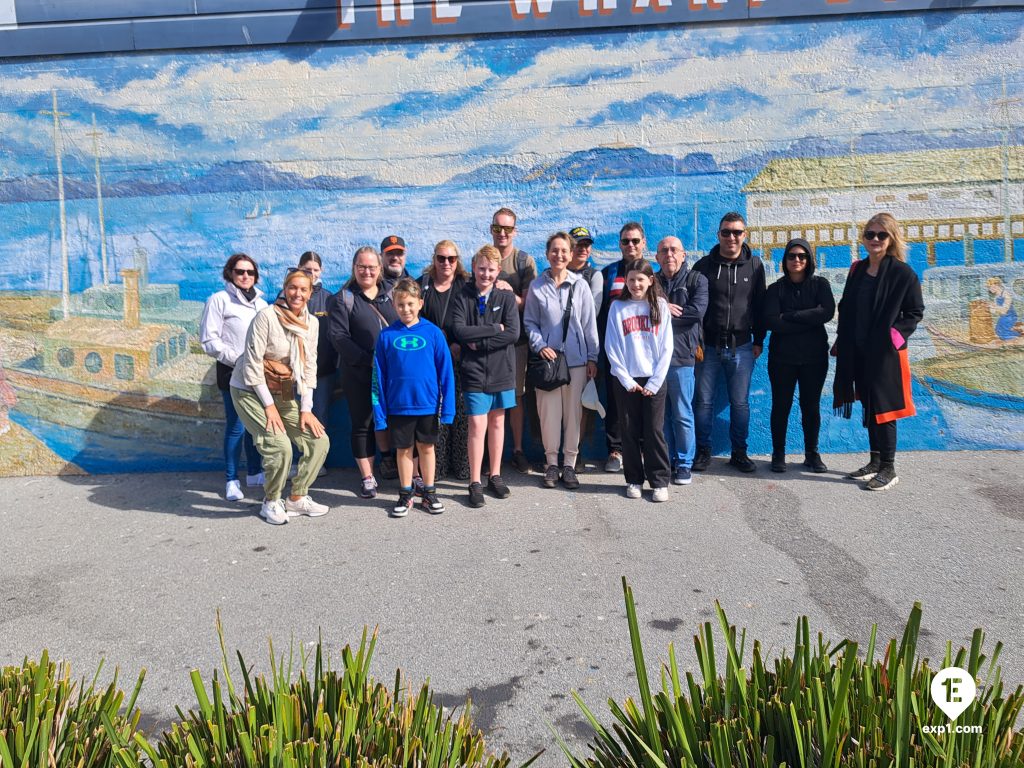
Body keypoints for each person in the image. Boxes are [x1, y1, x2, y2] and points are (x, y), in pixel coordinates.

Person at [229, 268, 330, 525]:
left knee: (318, 441)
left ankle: (297, 497)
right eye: (293, 288)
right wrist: (270, 406)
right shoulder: (267, 317)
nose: (297, 293)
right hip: (250, 390)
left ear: (310, 293)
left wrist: (306, 409)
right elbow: (251, 366)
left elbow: (308, 368)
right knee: (280, 446)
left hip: (283, 390)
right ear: (285, 289)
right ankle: (271, 501)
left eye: (303, 289)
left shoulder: (312, 323)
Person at [833, 213, 924, 491]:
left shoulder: (902, 273)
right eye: (870, 234)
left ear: (891, 238)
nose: (874, 240)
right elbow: (847, 306)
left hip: (885, 354)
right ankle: (875, 461)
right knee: (870, 405)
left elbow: (914, 312)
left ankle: (889, 468)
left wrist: (893, 338)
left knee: (885, 410)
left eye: (881, 235)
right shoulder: (857, 269)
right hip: (857, 350)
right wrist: (841, 340)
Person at [373, 279, 456, 517]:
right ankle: (405, 493)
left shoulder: (433, 333)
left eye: (410, 303)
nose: (405, 309)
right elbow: (377, 377)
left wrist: (447, 409)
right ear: (394, 305)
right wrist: (380, 414)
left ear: (420, 303)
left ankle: (429, 493)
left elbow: (446, 373)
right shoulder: (386, 336)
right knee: (403, 450)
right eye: (400, 304)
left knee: (427, 448)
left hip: (428, 405)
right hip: (399, 407)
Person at [690, 212, 766, 473]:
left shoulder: (755, 266)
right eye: (726, 232)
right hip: (708, 346)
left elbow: (760, 306)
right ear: (718, 234)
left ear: (744, 235)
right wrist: (695, 342)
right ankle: (703, 451)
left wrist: (759, 340)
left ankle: (739, 452)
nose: (731, 237)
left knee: (740, 403)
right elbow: (694, 307)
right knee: (703, 402)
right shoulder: (703, 266)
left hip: (743, 346)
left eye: (737, 232)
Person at [523, 232, 599, 489]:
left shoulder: (581, 286)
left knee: (573, 415)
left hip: (576, 362)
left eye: (564, 250)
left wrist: (592, 357)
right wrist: (540, 345)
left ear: (570, 253)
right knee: (549, 414)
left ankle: (569, 464)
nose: (559, 255)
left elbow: (589, 325)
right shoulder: (537, 286)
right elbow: (530, 322)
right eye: (554, 250)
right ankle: (551, 464)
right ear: (547, 254)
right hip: (548, 362)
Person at [451, 244, 521, 508]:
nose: (486, 274)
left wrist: (481, 343)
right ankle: (474, 481)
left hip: (502, 371)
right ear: (473, 268)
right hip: (474, 373)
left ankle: (495, 475)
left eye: (491, 269)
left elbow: (513, 333)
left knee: (497, 424)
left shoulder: (505, 297)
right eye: (481, 268)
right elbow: (460, 331)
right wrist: (493, 328)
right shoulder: (462, 296)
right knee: (477, 426)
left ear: (498, 270)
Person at [328, 246, 399, 499]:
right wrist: (370, 361)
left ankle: (405, 471)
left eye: (372, 267)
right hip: (359, 374)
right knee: (363, 424)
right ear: (354, 268)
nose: (367, 271)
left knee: (399, 421)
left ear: (380, 269)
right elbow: (339, 338)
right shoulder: (342, 299)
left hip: (395, 375)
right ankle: (368, 477)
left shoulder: (392, 295)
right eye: (362, 267)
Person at [762, 238, 835, 473]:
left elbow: (827, 312)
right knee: (780, 406)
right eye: (792, 256)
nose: (797, 260)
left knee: (810, 406)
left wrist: (791, 316)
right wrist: (808, 318)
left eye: (802, 256)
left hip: (814, 359)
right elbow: (772, 321)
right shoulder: (775, 289)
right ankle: (778, 454)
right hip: (782, 359)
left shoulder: (820, 285)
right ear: (785, 260)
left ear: (809, 260)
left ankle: (812, 454)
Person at [200, 253, 268, 501]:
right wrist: (237, 358)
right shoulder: (219, 300)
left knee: (255, 427)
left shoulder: (261, 304)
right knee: (237, 427)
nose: (245, 276)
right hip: (232, 373)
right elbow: (209, 340)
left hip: (259, 375)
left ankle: (254, 472)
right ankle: (231, 479)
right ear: (230, 273)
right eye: (240, 271)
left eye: (250, 272)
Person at [605, 259, 673, 502]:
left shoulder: (660, 306)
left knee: (654, 430)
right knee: (629, 430)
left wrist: (654, 382)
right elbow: (611, 346)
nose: (635, 284)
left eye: (640, 279)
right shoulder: (618, 307)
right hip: (626, 380)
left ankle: (659, 481)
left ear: (650, 280)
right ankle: (633, 479)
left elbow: (667, 347)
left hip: (654, 378)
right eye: (631, 279)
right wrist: (625, 379)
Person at [655, 236, 708, 486]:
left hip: (682, 356)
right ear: (656, 257)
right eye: (664, 251)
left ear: (683, 255)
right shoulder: (651, 282)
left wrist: (662, 312)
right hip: (654, 359)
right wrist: (663, 308)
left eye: (674, 250)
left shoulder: (697, 280)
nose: (669, 255)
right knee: (660, 416)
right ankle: (665, 461)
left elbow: (696, 312)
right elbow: (643, 311)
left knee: (682, 413)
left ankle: (684, 463)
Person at [489, 207, 538, 474]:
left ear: (515, 231)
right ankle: (489, 455)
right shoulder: (483, 258)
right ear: (491, 230)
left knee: (516, 396)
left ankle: (517, 450)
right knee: (489, 398)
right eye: (498, 228)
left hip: (516, 342)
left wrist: (511, 294)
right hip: (489, 343)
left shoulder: (524, 261)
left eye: (507, 228)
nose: (503, 233)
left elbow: (529, 305)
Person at [598, 221, 648, 473]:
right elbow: (599, 315)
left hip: (644, 352)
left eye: (635, 241)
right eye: (626, 241)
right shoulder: (608, 273)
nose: (630, 245)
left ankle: (640, 449)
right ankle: (615, 451)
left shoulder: (653, 274)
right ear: (620, 244)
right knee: (616, 402)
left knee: (644, 401)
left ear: (643, 243)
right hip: (615, 352)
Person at [419, 240, 471, 480]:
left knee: (460, 413)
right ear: (434, 259)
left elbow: (473, 318)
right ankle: (436, 469)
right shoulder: (423, 285)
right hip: (430, 362)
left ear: (457, 260)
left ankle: (462, 466)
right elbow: (414, 321)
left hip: (460, 359)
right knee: (435, 414)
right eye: (441, 258)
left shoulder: (466, 285)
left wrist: (459, 343)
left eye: (451, 258)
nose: (446, 263)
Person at [296, 251, 337, 444]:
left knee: (319, 416)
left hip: (321, 372)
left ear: (321, 271)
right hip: (291, 373)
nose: (311, 274)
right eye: (306, 269)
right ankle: (295, 461)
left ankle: (317, 462)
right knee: (293, 416)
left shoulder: (329, 299)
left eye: (315, 269)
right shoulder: (287, 296)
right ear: (298, 268)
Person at [568, 226, 604, 315]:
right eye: (578, 244)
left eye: (586, 245)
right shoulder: (558, 272)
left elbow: (594, 311)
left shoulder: (594, 275)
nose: (583, 249)